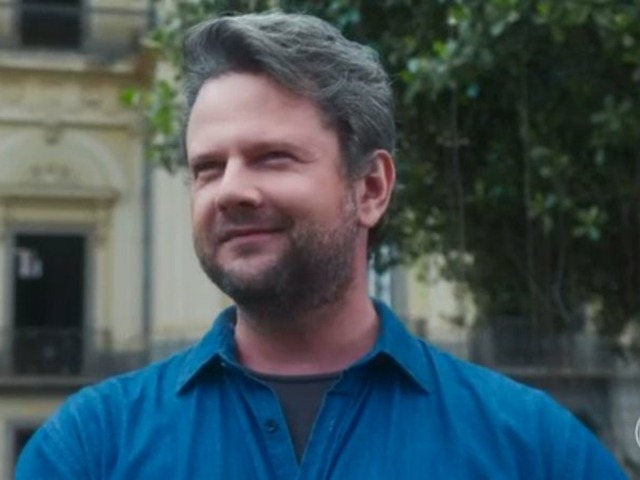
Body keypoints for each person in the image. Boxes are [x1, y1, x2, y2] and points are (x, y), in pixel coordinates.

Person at [16, 12, 627, 479]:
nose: (230, 191)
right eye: (207, 168)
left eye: (272, 157)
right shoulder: (90, 449)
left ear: (371, 188)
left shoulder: (534, 448)